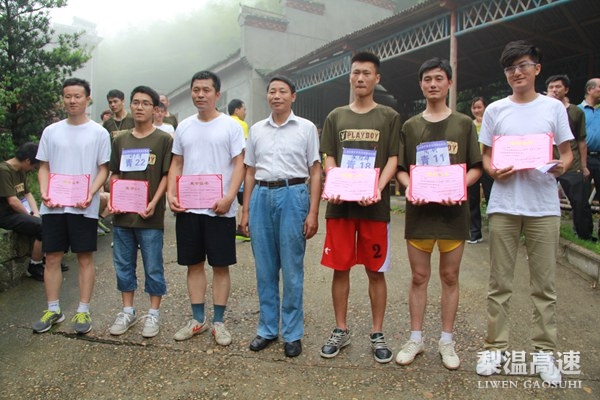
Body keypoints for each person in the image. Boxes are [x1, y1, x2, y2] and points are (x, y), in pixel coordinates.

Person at [475, 40, 573, 385]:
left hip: (543, 206)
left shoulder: (553, 108)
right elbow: (486, 155)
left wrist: (562, 166)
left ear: (537, 69)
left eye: (523, 65)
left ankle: (545, 352)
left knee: (544, 285)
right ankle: (495, 347)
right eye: (510, 68)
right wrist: (492, 171)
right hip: (504, 204)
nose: (517, 72)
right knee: (499, 283)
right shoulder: (495, 110)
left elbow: (567, 152)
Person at [395, 58, 482, 370]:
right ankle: (415, 338)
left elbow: (476, 168)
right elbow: (401, 170)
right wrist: (412, 187)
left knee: (449, 276)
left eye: (439, 78)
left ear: (449, 83)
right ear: (421, 85)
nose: (433, 84)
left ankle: (446, 340)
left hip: (452, 213)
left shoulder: (463, 124)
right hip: (420, 213)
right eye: (427, 79)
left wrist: (456, 186)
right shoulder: (410, 126)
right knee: (419, 277)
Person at [319, 52, 400, 364]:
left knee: (375, 271)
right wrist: (334, 184)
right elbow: (329, 156)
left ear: (377, 78)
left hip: (374, 208)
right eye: (356, 72)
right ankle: (340, 329)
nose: (361, 78)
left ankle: (377, 332)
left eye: (367, 73)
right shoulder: (336, 116)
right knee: (340, 268)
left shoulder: (388, 116)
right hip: (341, 208)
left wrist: (377, 189)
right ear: (350, 77)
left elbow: (393, 159)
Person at [240, 77, 321, 358]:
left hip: (293, 195)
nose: (276, 96)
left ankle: (292, 333)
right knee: (265, 268)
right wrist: (245, 209)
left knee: (292, 268)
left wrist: (313, 211)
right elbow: (250, 171)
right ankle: (266, 329)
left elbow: (315, 170)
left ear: (293, 96)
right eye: (272, 91)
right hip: (261, 195)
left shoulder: (306, 128)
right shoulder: (257, 130)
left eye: (282, 91)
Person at [167, 71, 245, 346]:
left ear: (217, 94)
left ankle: (219, 322)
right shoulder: (184, 127)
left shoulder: (231, 126)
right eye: (196, 89)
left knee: (220, 265)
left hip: (219, 209)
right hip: (189, 209)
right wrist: (171, 194)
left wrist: (230, 197)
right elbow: (177, 163)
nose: (200, 94)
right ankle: (197, 319)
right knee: (194, 264)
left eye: (206, 90)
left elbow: (240, 164)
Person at [33, 77, 111, 334]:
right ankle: (53, 309)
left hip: (83, 206)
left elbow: (103, 169)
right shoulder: (51, 131)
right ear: (62, 99)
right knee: (52, 257)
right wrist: (44, 191)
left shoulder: (99, 132)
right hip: (54, 206)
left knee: (85, 257)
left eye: (77, 96)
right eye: (68, 96)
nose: (72, 101)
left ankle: (83, 310)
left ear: (88, 99)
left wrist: (91, 193)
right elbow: (44, 166)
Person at [107, 86, 173, 338]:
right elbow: (115, 173)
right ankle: (128, 311)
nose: (139, 107)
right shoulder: (121, 140)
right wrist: (114, 198)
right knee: (123, 265)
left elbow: (167, 175)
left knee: (153, 266)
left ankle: (153, 313)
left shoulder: (163, 139)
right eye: (135, 102)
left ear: (155, 109)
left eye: (146, 103)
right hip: (122, 215)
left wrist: (154, 202)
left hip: (149, 216)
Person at [0, 143, 68, 281]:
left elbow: (27, 194)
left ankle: (50, 260)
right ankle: (34, 265)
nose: (33, 169)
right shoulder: (4, 171)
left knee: (52, 220)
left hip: (19, 212)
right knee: (42, 226)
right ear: (27, 161)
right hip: (6, 215)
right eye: (34, 165)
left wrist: (36, 213)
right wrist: (30, 216)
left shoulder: (20, 170)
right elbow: (13, 201)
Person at [547, 75, 594, 240]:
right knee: (543, 200)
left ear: (566, 90)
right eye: (551, 87)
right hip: (547, 163)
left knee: (579, 201)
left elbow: (581, 140)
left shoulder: (576, 112)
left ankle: (584, 235)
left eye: (558, 87)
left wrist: (583, 165)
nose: (554, 90)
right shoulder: (541, 111)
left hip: (571, 163)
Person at [467, 97, 494, 244]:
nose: (477, 110)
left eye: (479, 107)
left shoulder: (491, 124)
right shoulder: (469, 125)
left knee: (492, 197)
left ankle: (496, 231)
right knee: (472, 199)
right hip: (473, 165)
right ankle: (475, 233)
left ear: (485, 107)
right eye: (474, 108)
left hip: (489, 165)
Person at [578, 78, 600, 237]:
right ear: (590, 90)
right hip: (582, 158)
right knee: (582, 197)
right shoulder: (577, 111)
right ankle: (584, 233)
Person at [228, 99, 251, 241]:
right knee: (242, 199)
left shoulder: (224, 122)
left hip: (226, 171)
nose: (245, 112)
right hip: (238, 168)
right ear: (237, 110)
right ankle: (242, 227)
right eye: (244, 109)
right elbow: (244, 149)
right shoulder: (241, 125)